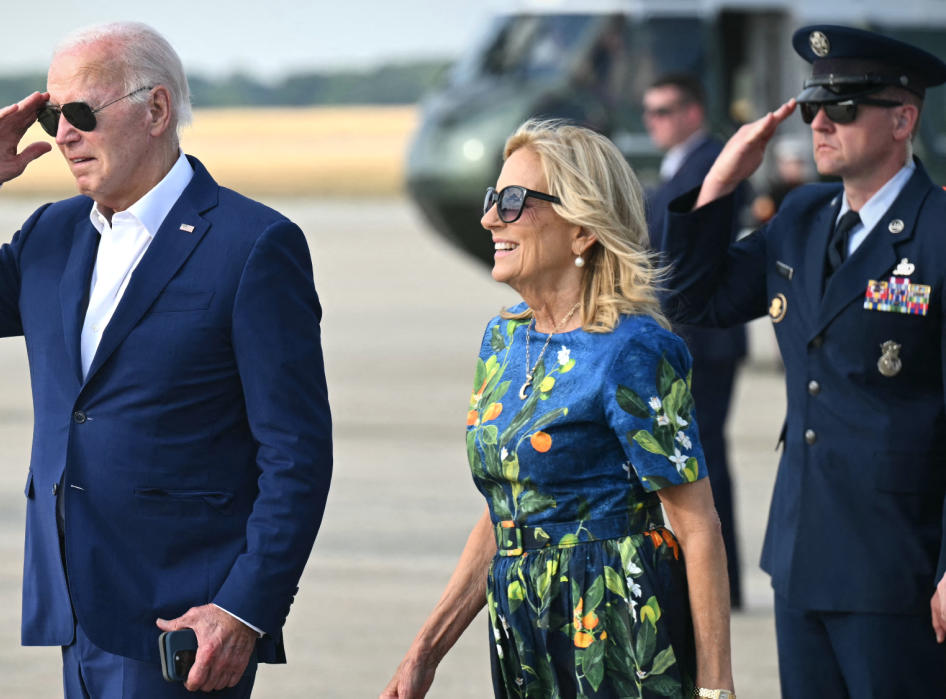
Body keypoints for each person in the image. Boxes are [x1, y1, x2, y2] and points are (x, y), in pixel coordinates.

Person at [0, 22, 332, 699]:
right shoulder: (53, 236)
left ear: (155, 110)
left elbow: (296, 453)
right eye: (54, 114)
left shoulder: (253, 245)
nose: (62, 135)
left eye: (81, 113)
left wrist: (245, 610)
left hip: (188, 625)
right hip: (75, 613)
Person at [381, 119, 734, 699]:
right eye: (494, 198)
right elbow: (510, 509)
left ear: (583, 230)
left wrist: (716, 687)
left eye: (515, 201)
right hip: (524, 633)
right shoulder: (503, 341)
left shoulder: (635, 351)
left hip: (618, 631)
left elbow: (697, 527)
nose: (490, 217)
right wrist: (426, 650)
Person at [658, 24, 946, 698]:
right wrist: (721, 177)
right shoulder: (803, 219)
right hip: (802, 553)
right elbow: (693, 298)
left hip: (899, 560)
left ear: (903, 118)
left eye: (844, 106)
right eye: (814, 105)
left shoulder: (937, 235)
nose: (820, 122)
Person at [643, 73, 748, 609]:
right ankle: (715, 582)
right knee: (698, 459)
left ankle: (718, 583)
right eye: (649, 112)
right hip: (688, 337)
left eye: (663, 111)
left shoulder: (707, 161)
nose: (653, 121)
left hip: (702, 340)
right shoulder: (680, 164)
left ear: (692, 111)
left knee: (700, 461)